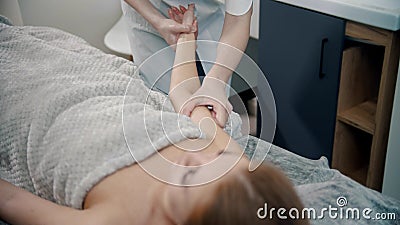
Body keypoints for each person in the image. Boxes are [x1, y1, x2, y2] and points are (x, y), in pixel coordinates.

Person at [0, 6, 308, 225]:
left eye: (188, 176)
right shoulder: (230, 165)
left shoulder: (120, 218)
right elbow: (185, 96)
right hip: (102, 85)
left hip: (44, 111)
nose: (196, 155)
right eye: (217, 164)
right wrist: (187, 40)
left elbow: (11, 201)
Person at [121, 0, 253, 127]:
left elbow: (238, 20)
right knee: (165, 105)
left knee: (212, 102)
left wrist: (217, 81)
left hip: (206, 13)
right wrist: (158, 22)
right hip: (148, 9)